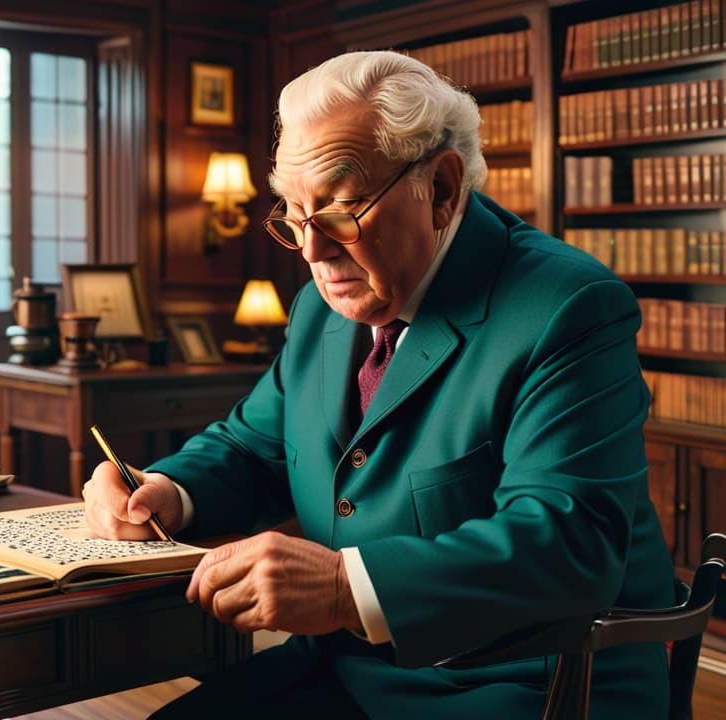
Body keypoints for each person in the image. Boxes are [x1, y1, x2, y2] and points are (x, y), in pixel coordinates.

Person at [83, 50, 676, 718]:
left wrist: (345, 587)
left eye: (340, 207)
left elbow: (568, 541)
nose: (312, 250)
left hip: (531, 683)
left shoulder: (569, 306)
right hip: (350, 667)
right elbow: (254, 447)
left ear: (443, 189)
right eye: (294, 215)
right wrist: (165, 489)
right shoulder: (321, 307)